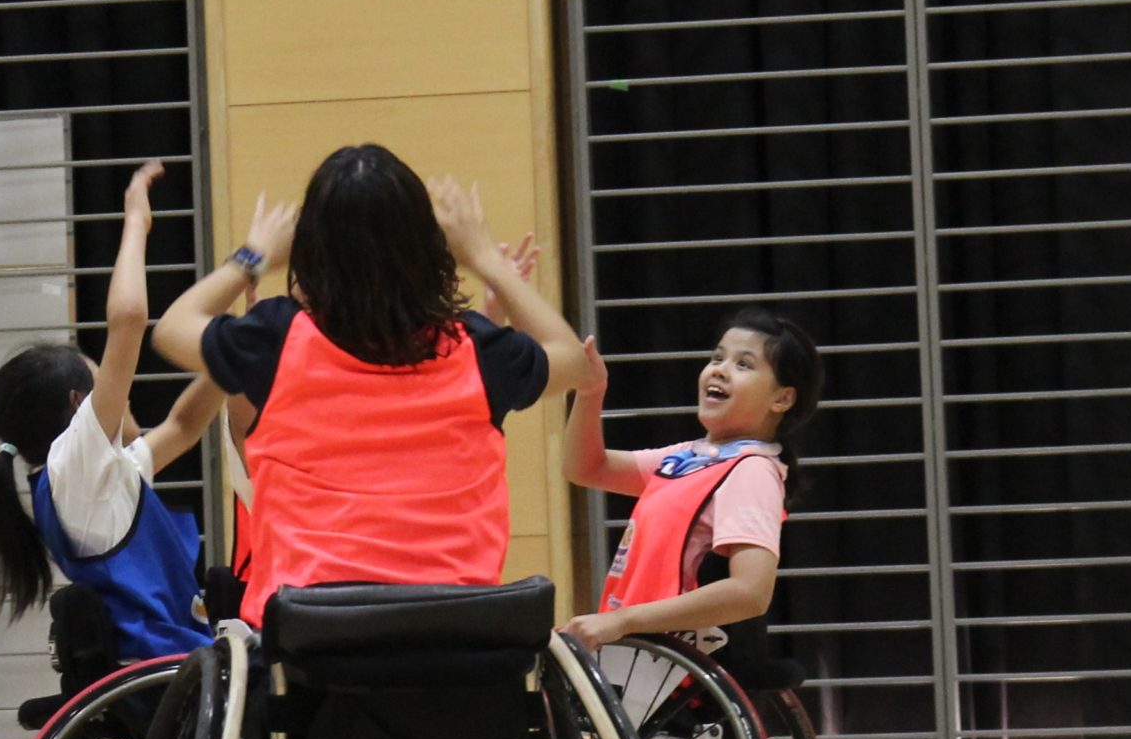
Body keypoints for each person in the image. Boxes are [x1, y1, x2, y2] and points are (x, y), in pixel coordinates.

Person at [151, 143, 587, 621]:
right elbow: (573, 360)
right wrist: (485, 258)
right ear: (428, 245)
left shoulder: (276, 340)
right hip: (458, 633)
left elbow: (171, 331)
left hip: (311, 634)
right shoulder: (476, 349)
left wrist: (253, 256)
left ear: (309, 251)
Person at [0, 161, 227, 727]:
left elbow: (185, 425)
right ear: (77, 407)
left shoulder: (95, 478)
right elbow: (129, 320)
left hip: (172, 665)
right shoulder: (75, 465)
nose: (122, 393)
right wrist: (136, 219)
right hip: (162, 676)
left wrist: (233, 350)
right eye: (104, 383)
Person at [560, 308, 823, 655]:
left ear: (782, 398)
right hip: (644, 655)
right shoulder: (690, 457)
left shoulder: (752, 471)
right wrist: (590, 392)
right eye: (718, 357)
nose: (720, 369)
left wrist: (624, 620)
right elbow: (587, 468)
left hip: (681, 667)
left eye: (743, 364)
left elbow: (750, 592)